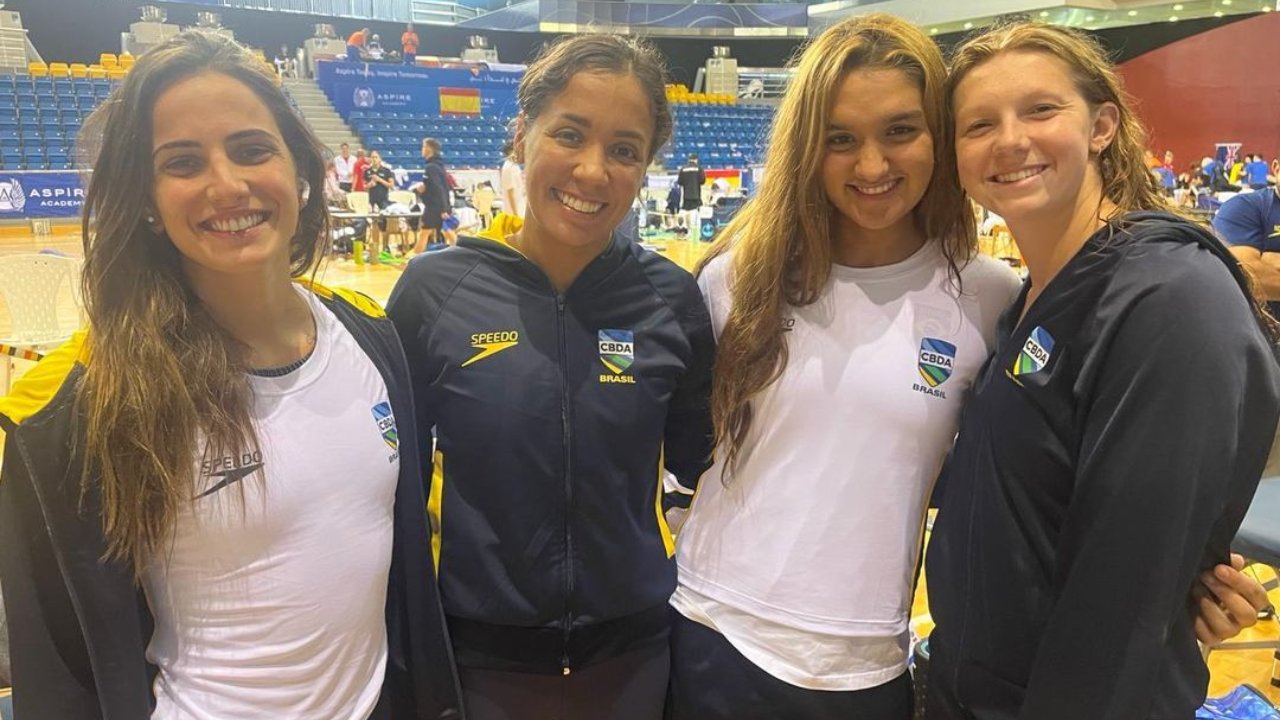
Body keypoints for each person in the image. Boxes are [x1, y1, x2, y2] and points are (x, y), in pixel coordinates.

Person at [666, 14, 1275, 720]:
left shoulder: (1002, 296)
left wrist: (1187, 575)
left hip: (883, 668)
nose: (871, 165)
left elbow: (1127, 509)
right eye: (840, 138)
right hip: (728, 636)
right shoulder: (738, 281)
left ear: (1102, 125)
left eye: (900, 130)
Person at [0, 29, 462, 719]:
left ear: (300, 172)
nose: (227, 184)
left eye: (251, 150)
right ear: (148, 200)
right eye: (183, 162)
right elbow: (58, 664)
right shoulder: (76, 403)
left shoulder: (374, 340)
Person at [927, 21, 1280, 720]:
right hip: (973, 688)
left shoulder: (1169, 296)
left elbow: (1123, 603)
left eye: (1040, 109)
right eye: (978, 124)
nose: (1010, 140)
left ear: (1102, 126)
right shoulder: (1025, 299)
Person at [386, 33, 714, 720]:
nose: (593, 172)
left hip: (634, 657)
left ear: (645, 166)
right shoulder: (434, 291)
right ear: (521, 137)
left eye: (625, 150)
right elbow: (392, 486)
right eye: (570, 134)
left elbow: (705, 463)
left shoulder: (671, 300)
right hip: (478, 660)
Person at [1214, 183, 1280, 317]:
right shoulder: (1243, 207)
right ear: (1276, 169)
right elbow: (1249, 277)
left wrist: (1269, 260)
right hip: (1264, 330)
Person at [412, 137, 451, 252]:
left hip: (434, 207)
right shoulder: (438, 166)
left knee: (425, 232)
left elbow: (438, 188)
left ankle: (415, 258)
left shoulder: (431, 168)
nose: (422, 149)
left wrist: (443, 209)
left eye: (423, 146)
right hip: (439, 206)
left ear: (429, 149)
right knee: (447, 231)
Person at [365, 149, 397, 262]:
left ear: (380, 159)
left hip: (384, 201)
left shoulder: (386, 171)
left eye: (376, 157)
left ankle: (385, 247)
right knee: (374, 225)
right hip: (372, 201)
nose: (374, 159)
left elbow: (391, 185)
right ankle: (375, 249)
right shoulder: (367, 171)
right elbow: (364, 187)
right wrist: (370, 184)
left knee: (384, 226)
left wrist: (379, 180)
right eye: (372, 157)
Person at [675, 153, 705, 232]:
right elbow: (702, 181)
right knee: (694, 214)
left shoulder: (683, 169)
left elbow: (679, 182)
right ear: (696, 160)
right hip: (695, 196)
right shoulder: (699, 169)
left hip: (685, 196)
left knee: (684, 213)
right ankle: (693, 231)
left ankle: (682, 229)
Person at [498, 140, 525, 217]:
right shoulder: (509, 167)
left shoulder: (514, 166)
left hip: (519, 206)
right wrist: (515, 213)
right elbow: (510, 191)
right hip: (513, 211)